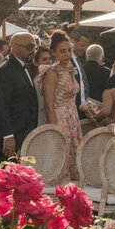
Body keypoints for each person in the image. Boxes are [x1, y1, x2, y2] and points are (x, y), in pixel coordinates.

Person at [0, 32, 39, 166]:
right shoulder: (6, 70)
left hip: (22, 133)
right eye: (29, 46)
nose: (33, 51)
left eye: (35, 47)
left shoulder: (23, 67)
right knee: (8, 179)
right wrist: (8, 136)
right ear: (15, 47)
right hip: (9, 136)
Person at [37, 31, 83, 180]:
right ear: (54, 53)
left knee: (76, 156)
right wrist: (55, 129)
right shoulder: (51, 72)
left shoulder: (70, 70)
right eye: (62, 51)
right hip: (60, 118)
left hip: (73, 117)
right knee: (62, 156)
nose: (67, 54)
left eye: (69, 50)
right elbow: (49, 105)